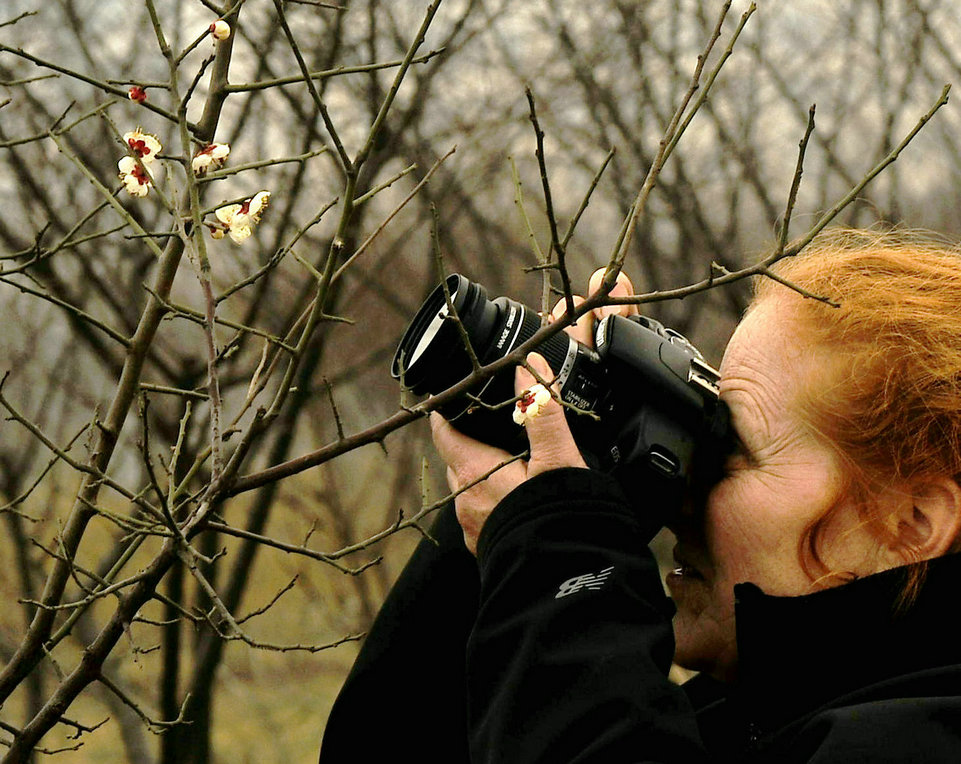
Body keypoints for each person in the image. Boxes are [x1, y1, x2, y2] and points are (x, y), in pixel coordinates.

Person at [320, 229, 961, 762]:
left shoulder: (922, 740)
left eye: (730, 451)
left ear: (911, 521)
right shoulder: (738, 716)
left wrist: (557, 560)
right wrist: (516, 525)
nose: (686, 492)